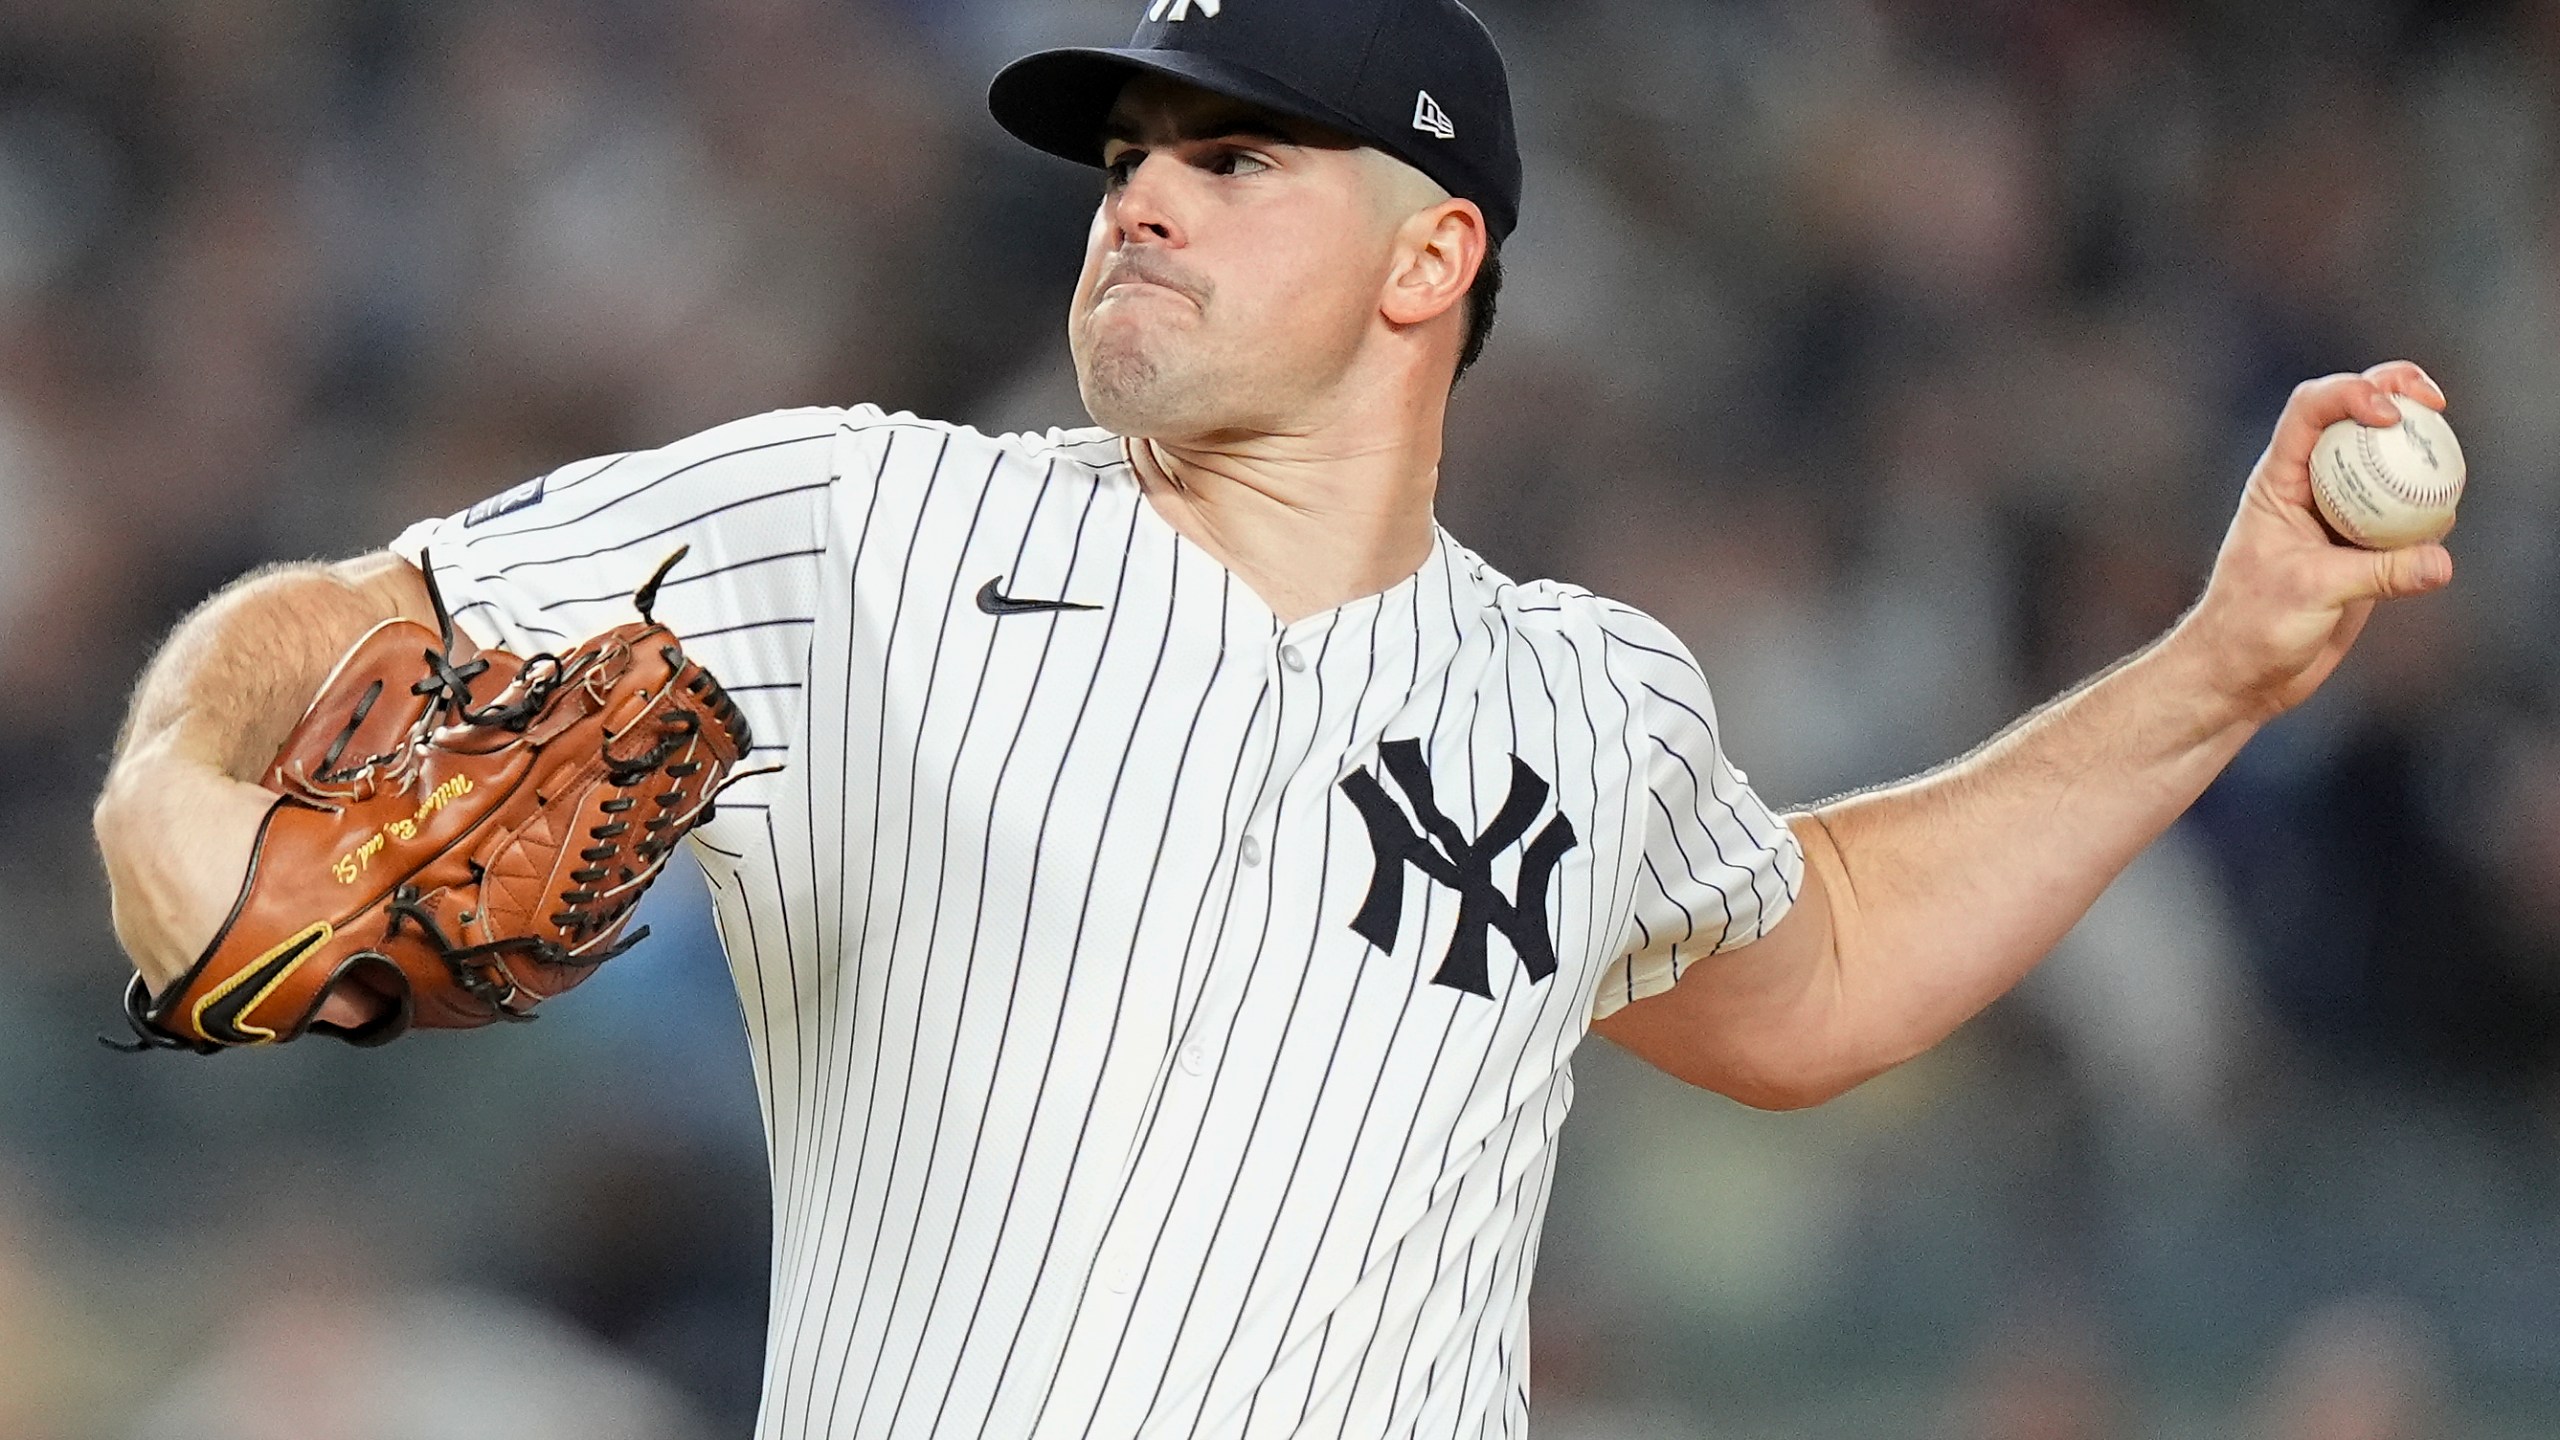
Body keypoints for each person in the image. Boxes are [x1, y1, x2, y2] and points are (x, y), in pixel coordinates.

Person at [89, 0, 2456, 1436]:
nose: (1137, 204)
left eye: (1227, 157)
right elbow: (360, 618)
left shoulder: (1587, 697)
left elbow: (1816, 970)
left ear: (1434, 254)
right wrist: (182, 768)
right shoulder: (854, 528)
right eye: (1124, 161)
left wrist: (2217, 663)